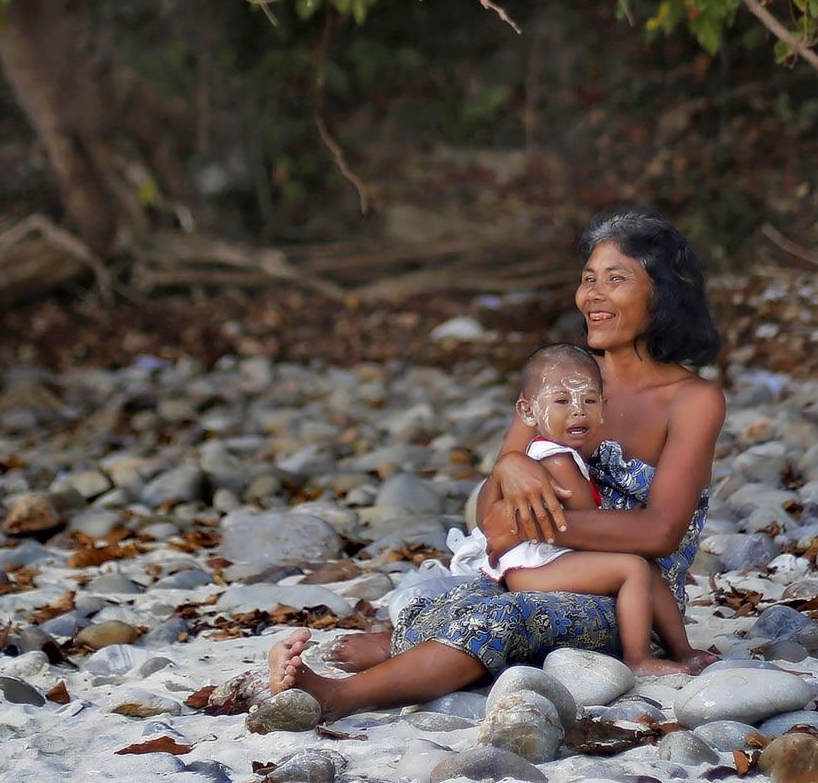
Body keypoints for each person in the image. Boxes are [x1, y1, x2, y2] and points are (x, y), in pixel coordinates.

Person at [262, 207, 725, 719]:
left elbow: (659, 533)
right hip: (545, 569)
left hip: (635, 598)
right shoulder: (561, 379)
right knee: (455, 600)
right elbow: (489, 515)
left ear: (662, 293)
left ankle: (335, 698)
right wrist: (506, 469)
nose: (593, 294)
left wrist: (533, 523)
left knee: (504, 617)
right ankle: (393, 653)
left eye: (616, 279)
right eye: (588, 278)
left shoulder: (691, 400)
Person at [444, 342, 710, 675]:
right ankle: (639, 659)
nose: (578, 411)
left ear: (603, 407)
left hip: (546, 558)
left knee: (647, 571)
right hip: (534, 568)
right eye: (561, 402)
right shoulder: (555, 459)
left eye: (589, 401)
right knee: (634, 570)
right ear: (528, 412)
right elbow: (587, 519)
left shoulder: (557, 453)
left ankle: (682, 650)